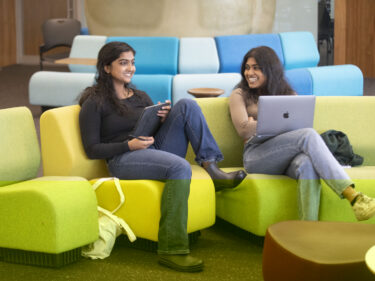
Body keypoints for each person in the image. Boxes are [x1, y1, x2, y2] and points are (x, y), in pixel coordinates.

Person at [78, 41, 246, 272]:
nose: (130, 68)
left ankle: (212, 168)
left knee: (187, 105)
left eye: (132, 63)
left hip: (150, 149)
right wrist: (128, 145)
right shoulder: (94, 102)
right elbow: (92, 148)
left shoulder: (139, 96)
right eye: (123, 63)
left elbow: (153, 134)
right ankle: (172, 249)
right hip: (122, 159)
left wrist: (163, 120)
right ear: (106, 68)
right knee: (179, 167)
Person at [229, 45, 375, 221]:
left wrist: (257, 123)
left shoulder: (288, 94)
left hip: (287, 156)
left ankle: (307, 228)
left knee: (306, 163)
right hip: (256, 156)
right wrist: (273, 124)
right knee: (307, 135)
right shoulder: (239, 94)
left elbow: (299, 124)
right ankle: (353, 196)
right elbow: (243, 129)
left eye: (256, 68)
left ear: (270, 70)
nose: (249, 72)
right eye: (247, 67)